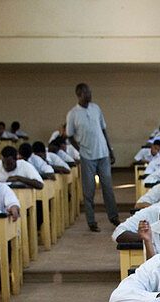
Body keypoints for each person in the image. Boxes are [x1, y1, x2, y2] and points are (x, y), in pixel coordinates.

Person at [66, 82, 120, 232]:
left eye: (90, 92)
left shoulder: (96, 108)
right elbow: (69, 136)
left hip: (103, 153)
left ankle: (114, 217)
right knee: (89, 191)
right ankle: (91, 221)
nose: (89, 95)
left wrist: (111, 150)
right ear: (79, 94)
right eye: (86, 93)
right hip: (87, 156)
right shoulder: (73, 114)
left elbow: (103, 130)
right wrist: (81, 149)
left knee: (108, 187)